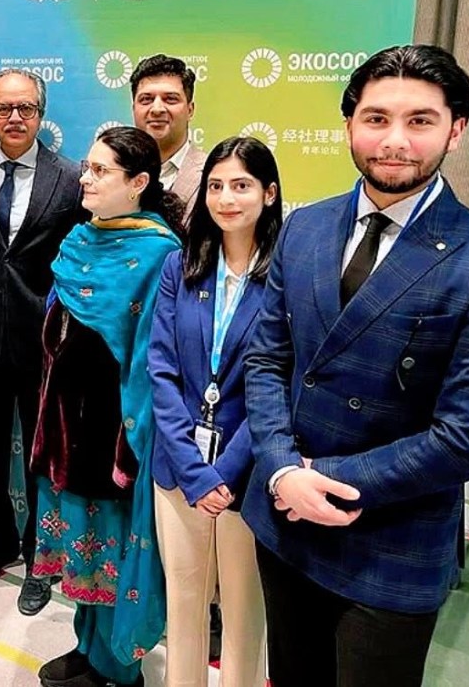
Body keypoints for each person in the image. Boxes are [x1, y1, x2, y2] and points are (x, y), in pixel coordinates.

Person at [243, 44, 469, 687]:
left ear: (455, 130)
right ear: (350, 124)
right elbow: (268, 357)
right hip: (285, 519)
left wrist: (320, 479)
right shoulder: (305, 227)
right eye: (376, 118)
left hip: (390, 537)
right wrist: (278, 468)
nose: (395, 140)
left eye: (420, 120)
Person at [32, 126, 183, 687]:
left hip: (115, 429)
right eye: (86, 168)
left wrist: (136, 437)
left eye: (101, 171)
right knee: (82, 548)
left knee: (116, 550)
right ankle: (87, 644)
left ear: (139, 182)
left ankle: (119, 668)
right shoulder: (79, 239)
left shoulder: (158, 253)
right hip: (64, 423)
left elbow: (154, 357)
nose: (85, 178)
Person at [149, 137, 282, 687]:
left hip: (246, 475)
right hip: (179, 469)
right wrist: (192, 467)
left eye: (242, 185)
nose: (227, 198)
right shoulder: (180, 267)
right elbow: (161, 368)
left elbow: (280, 386)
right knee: (183, 608)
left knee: (246, 618)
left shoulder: (287, 274)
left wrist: (222, 472)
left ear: (269, 194)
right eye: (216, 185)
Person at [0, 67, 84, 615]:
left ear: (41, 113)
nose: (15, 117)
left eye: (26, 108)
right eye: (4, 108)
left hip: (45, 347)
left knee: (40, 456)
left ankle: (39, 557)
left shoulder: (72, 177)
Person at [130, 54, 207, 212]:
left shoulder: (212, 173)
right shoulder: (113, 173)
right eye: (146, 99)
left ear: (190, 110)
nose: (157, 109)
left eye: (170, 99)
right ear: (134, 109)